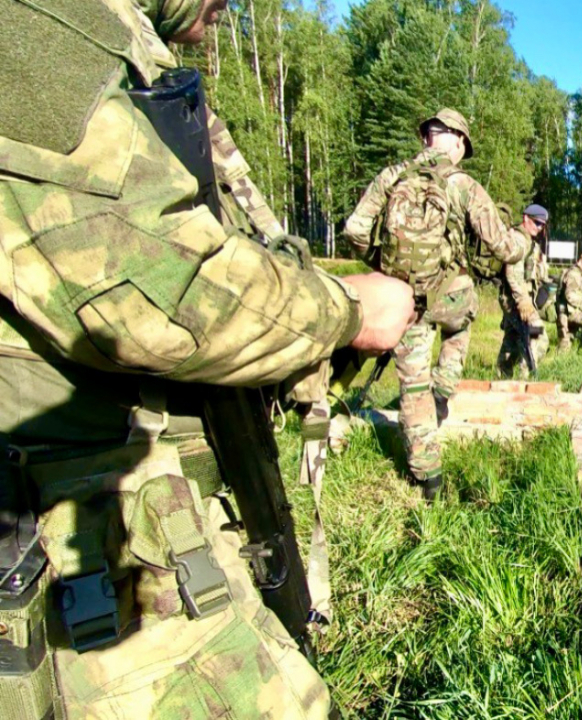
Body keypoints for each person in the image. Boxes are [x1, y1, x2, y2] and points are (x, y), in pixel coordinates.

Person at [0, 1, 415, 718]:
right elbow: (150, 294)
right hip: (85, 534)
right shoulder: (40, 31)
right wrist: (345, 312)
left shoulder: (112, 37)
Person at [342, 108, 527, 501]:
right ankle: (444, 389)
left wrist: (385, 270)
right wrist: (525, 241)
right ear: (458, 142)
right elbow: (503, 247)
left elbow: (355, 229)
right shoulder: (464, 184)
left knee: (412, 386)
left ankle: (429, 481)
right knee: (462, 321)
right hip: (450, 297)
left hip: (405, 301)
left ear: (426, 136)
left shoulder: (392, 176)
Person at [497, 204, 551, 377]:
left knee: (512, 340)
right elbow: (512, 273)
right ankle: (524, 378)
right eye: (536, 223)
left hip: (516, 298)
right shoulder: (519, 239)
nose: (540, 228)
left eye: (542, 225)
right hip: (515, 300)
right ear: (526, 218)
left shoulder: (529, 242)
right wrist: (523, 302)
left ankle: (502, 376)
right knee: (539, 337)